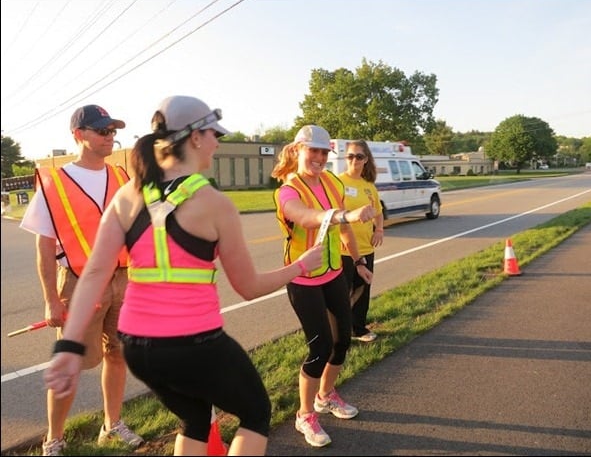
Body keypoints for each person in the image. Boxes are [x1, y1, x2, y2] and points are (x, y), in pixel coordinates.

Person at [43, 95, 324, 456]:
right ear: (194, 137)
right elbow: (249, 288)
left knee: (194, 418)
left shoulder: (129, 194)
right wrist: (302, 265)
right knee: (255, 412)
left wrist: (69, 346)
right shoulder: (214, 204)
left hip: (139, 349)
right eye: (214, 134)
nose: (217, 143)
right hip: (193, 343)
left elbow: (95, 271)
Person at [20, 104, 144, 456]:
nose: (111, 137)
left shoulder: (122, 177)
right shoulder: (54, 184)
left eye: (112, 131)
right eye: (102, 131)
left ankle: (112, 424)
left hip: (123, 278)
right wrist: (51, 299)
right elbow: (44, 249)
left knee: (118, 354)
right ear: (79, 135)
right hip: (79, 283)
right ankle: (54, 440)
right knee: (71, 364)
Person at [271, 125, 376, 448]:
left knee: (342, 340)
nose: (318, 157)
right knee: (319, 348)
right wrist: (347, 215)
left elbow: (342, 233)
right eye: (312, 151)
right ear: (297, 151)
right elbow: (305, 218)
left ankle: (325, 395)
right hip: (302, 279)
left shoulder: (332, 181)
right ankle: (305, 415)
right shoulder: (288, 190)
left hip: (333, 273)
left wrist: (358, 263)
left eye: (323, 152)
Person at [339, 140, 384, 342]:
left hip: (366, 247)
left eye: (359, 156)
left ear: (366, 160)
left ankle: (358, 329)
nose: (354, 160)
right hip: (343, 250)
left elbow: (378, 212)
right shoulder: (337, 183)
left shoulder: (369, 187)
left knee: (362, 291)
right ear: (345, 158)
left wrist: (379, 229)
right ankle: (340, 333)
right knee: (341, 295)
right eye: (350, 156)